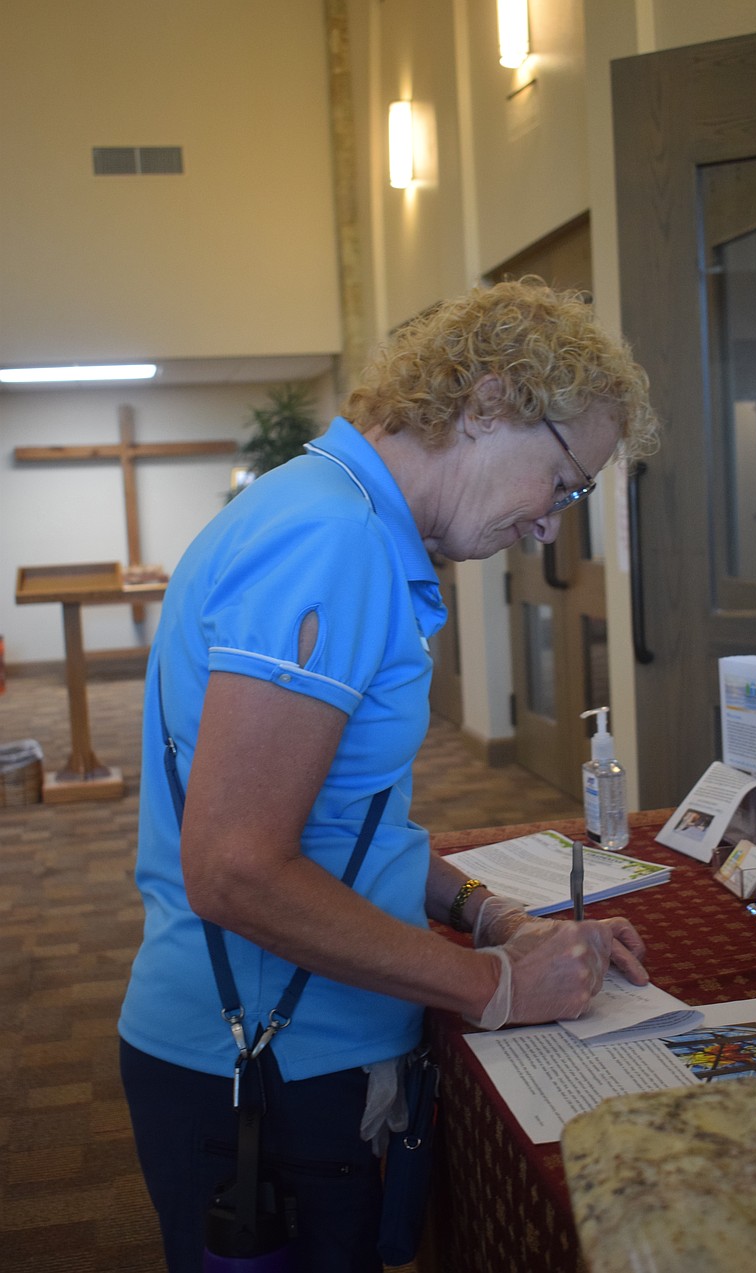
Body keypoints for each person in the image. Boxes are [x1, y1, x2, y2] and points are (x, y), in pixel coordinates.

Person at [119, 277, 659, 1273]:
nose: (550, 524)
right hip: (261, 1061)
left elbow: (342, 824)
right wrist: (490, 985)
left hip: (281, 1048)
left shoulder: (336, 510)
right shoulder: (336, 539)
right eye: (566, 483)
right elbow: (235, 868)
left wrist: (489, 913)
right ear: (491, 401)